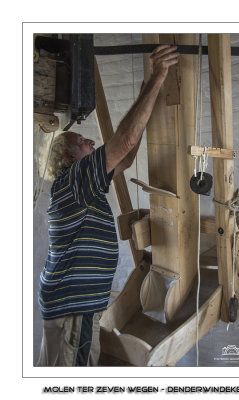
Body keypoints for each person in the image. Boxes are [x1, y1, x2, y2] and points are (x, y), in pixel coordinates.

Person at [37, 45, 180, 366]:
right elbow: (124, 143)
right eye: (82, 142)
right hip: (71, 309)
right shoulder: (73, 181)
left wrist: (148, 89)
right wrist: (158, 78)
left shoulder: (80, 186)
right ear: (68, 157)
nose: (91, 143)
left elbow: (126, 156)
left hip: (76, 306)